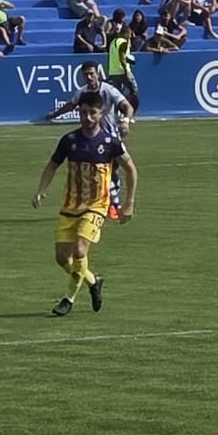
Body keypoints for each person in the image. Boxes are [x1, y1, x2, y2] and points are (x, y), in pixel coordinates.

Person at [30, 90, 137, 317]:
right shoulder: (69, 140)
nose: (87, 117)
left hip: (96, 206)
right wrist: (41, 190)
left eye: (92, 113)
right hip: (70, 207)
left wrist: (129, 203)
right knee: (62, 259)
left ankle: (68, 299)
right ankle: (92, 281)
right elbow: (52, 166)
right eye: (83, 112)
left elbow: (131, 170)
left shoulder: (110, 142)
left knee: (80, 250)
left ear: (101, 114)